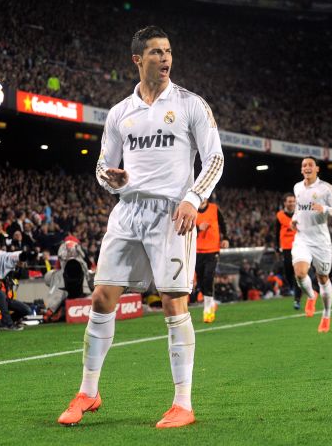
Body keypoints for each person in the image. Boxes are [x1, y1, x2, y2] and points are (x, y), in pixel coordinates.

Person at [57, 25, 224, 429]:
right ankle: (89, 392)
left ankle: (182, 403)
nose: (165, 59)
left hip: (172, 213)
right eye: (155, 52)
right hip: (127, 211)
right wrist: (108, 179)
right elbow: (102, 165)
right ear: (137, 59)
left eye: (168, 51)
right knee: (100, 299)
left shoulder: (191, 104)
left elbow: (215, 159)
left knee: (172, 302)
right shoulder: (119, 113)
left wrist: (193, 198)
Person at [290, 157, 332, 333]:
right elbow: (299, 209)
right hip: (302, 238)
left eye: (310, 165)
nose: (307, 167)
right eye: (303, 165)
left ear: (317, 169)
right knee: (300, 273)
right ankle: (312, 296)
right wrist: (294, 219)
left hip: (321, 242)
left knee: (323, 278)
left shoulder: (326, 189)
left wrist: (325, 209)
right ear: (301, 170)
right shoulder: (297, 187)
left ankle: (326, 315)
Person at [0, 244, 33, 330]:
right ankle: (9, 324)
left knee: (27, 310)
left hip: (4, 298)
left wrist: (19, 266)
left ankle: (3, 322)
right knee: (0, 294)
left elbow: (17, 276)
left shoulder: (5, 265)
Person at [194, 198, 228, 322]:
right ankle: (211, 302)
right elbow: (185, 228)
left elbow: (223, 223)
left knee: (209, 276)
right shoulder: (192, 209)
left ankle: (207, 308)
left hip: (212, 249)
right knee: (201, 279)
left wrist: (226, 238)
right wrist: (198, 229)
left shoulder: (214, 208)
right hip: (197, 250)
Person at [275, 193, 299, 308]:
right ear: (284, 203)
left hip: (299, 246)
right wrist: (276, 246)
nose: (291, 203)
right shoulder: (279, 215)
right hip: (286, 247)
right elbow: (276, 232)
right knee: (288, 270)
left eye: (293, 201)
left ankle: (297, 299)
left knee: (298, 272)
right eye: (289, 201)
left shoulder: (299, 214)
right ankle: (293, 287)